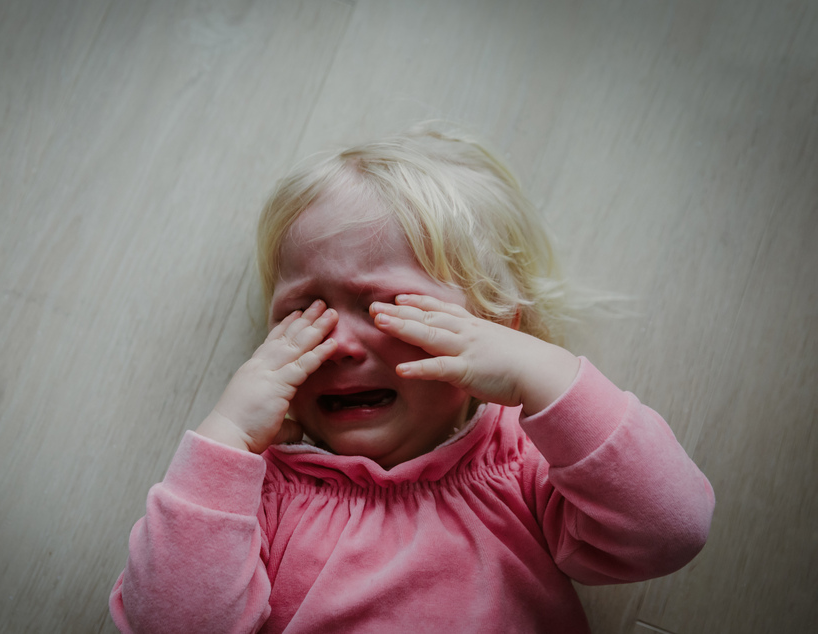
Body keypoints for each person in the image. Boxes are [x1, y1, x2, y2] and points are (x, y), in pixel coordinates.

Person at [109, 125, 715, 633]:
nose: (340, 346)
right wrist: (226, 437)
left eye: (387, 308)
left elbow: (669, 530)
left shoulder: (524, 465)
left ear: (491, 334)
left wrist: (541, 370)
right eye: (303, 315)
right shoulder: (257, 495)